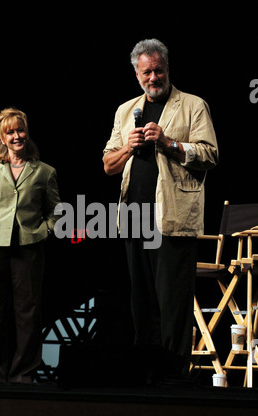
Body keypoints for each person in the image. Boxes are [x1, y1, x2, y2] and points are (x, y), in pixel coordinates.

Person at [103, 39, 218, 381]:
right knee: (142, 305)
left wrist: (168, 143)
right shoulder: (125, 111)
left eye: (158, 70)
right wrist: (127, 147)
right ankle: (145, 379)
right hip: (134, 220)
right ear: (136, 74)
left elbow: (210, 155)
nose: (153, 77)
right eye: (146, 72)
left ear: (168, 69)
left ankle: (174, 380)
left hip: (172, 219)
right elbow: (108, 165)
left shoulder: (193, 106)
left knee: (172, 307)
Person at [0, 107, 61, 383]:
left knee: (27, 313)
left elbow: (57, 211)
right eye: (11, 132)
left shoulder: (45, 172)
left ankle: (24, 374)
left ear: (27, 132)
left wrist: (45, 232)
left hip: (29, 248)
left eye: (20, 130)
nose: (17, 136)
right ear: (2, 137)